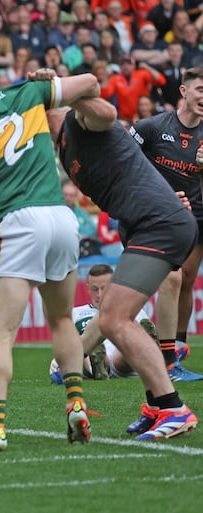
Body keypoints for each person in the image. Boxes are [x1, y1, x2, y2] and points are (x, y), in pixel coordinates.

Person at [0, 47, 101, 452]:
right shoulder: (28, 93)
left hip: (18, 222)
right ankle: (76, 403)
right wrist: (51, 81)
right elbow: (92, 83)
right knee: (62, 319)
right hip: (62, 219)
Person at [40, 79, 198, 441]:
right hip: (146, 226)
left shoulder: (77, 121)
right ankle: (157, 405)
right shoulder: (63, 147)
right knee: (110, 316)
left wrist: (70, 90)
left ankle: (173, 407)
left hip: (158, 224)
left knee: (113, 319)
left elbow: (107, 110)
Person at [129, 67, 203, 382]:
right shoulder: (152, 126)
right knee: (157, 284)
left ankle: (178, 349)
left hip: (196, 214)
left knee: (185, 280)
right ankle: (166, 357)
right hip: (155, 216)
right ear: (184, 91)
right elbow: (122, 159)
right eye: (201, 90)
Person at [49, 264, 157, 383]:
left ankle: (145, 343)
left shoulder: (132, 310)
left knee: (127, 347)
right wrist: (59, 359)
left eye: (104, 288)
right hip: (88, 357)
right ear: (88, 288)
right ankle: (97, 365)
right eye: (95, 289)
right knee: (80, 347)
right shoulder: (75, 313)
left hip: (122, 357)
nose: (99, 295)